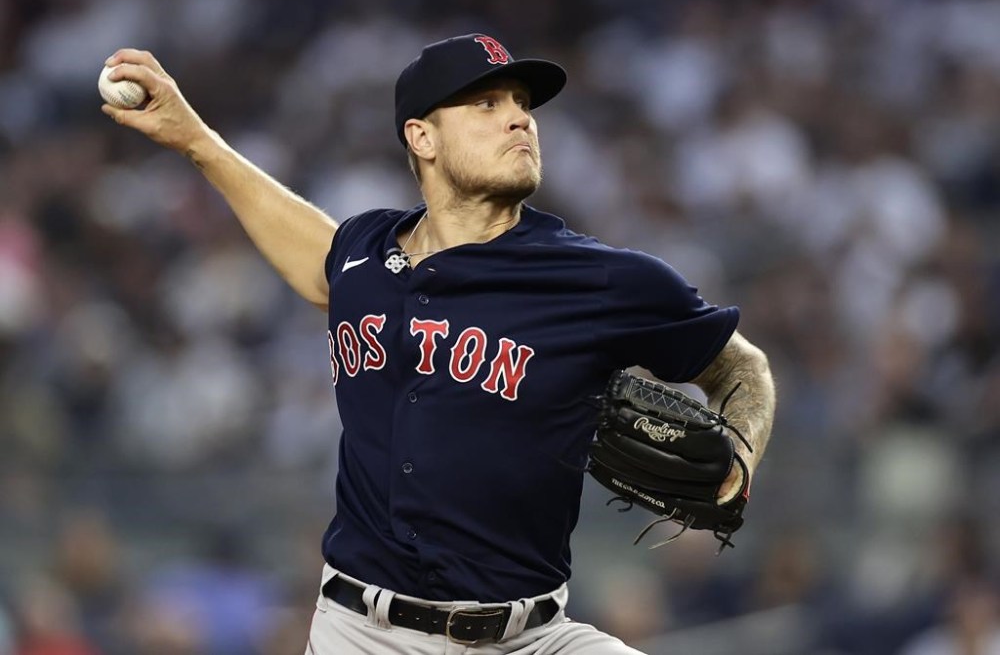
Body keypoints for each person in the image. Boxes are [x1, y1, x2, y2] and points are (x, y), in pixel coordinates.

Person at [102, 33, 776, 654]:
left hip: (532, 637)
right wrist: (196, 140)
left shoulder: (598, 278)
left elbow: (741, 366)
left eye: (520, 104)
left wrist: (739, 459)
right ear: (421, 137)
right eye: (485, 103)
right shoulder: (364, 257)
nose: (518, 118)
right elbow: (316, 257)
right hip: (364, 635)